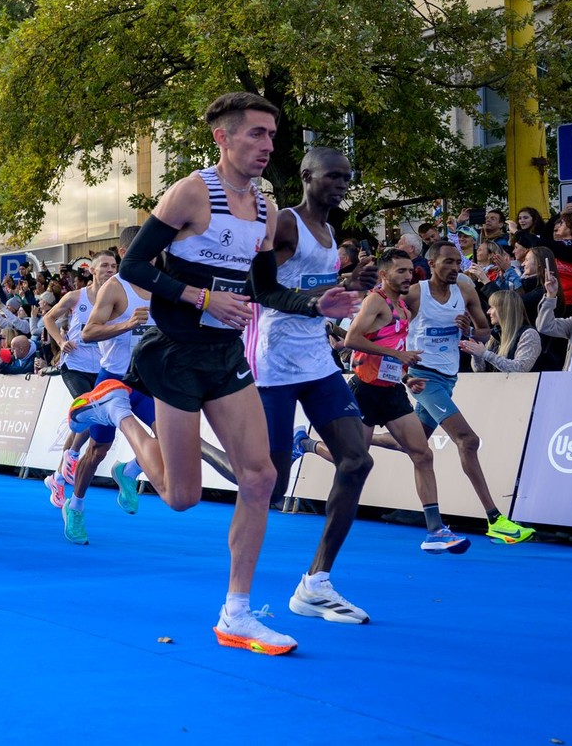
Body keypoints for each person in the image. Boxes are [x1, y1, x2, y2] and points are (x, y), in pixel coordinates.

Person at [69, 92, 360, 655]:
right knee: (181, 497)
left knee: (259, 478)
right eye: (256, 134)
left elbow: (267, 290)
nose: (267, 146)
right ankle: (119, 409)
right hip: (174, 351)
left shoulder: (268, 211)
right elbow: (133, 266)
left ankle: (237, 613)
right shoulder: (191, 192)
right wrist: (201, 298)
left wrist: (313, 304)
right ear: (222, 138)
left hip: (225, 354)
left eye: (272, 136)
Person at [247, 147, 381, 624]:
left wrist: (347, 281)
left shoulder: (328, 231)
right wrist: (317, 301)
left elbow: (312, 284)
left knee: (357, 458)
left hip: (317, 361)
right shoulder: (284, 223)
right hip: (274, 365)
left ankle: (316, 583)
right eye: (333, 176)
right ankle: (200, 450)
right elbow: (259, 290)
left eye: (347, 176)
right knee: (272, 482)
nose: (342, 183)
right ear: (306, 176)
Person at [302, 250, 471, 553]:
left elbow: (390, 346)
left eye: (410, 271)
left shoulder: (403, 308)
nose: (409, 276)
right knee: (352, 460)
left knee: (422, 454)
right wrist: (399, 357)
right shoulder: (375, 301)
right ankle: (305, 444)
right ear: (384, 275)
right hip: (365, 389)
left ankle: (434, 530)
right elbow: (352, 339)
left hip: (392, 390)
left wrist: (406, 377)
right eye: (401, 271)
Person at [369, 241, 536, 544]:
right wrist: (402, 370)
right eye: (447, 262)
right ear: (431, 264)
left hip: (449, 378)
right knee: (468, 441)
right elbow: (391, 327)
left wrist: (469, 329)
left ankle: (337, 439)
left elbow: (485, 332)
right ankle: (495, 519)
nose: (454, 267)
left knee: (410, 442)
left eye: (458, 262)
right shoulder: (416, 292)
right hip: (423, 377)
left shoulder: (465, 289)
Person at [63, 227, 157, 546]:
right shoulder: (116, 288)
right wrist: (128, 324)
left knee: (172, 440)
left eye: (154, 247)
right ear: (122, 252)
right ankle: (75, 506)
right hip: (113, 381)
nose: (151, 254)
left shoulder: (163, 285)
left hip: (149, 381)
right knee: (97, 451)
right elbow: (88, 333)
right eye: (141, 249)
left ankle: (129, 472)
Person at [41, 250, 116, 507]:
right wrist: (61, 342)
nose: (110, 269)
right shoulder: (76, 297)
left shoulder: (119, 299)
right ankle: (71, 458)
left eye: (114, 265)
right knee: (87, 411)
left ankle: (59, 478)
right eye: (104, 265)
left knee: (85, 421)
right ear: (92, 270)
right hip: (74, 366)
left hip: (103, 367)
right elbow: (47, 318)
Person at [462, 290, 542, 373]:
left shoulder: (529, 334)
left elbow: (520, 368)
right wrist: (476, 355)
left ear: (505, 309)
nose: (488, 312)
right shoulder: (494, 335)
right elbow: (480, 370)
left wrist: (485, 354)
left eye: (492, 307)